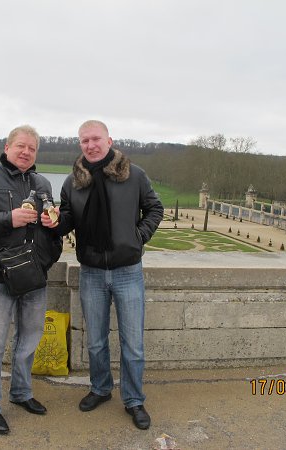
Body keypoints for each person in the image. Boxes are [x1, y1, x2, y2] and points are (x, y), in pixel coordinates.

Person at [41, 120, 164, 430]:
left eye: (95, 139)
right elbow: (67, 220)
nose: (90, 145)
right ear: (80, 144)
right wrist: (55, 222)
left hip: (128, 271)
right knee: (95, 341)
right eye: (84, 141)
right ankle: (100, 388)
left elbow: (155, 209)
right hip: (92, 272)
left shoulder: (134, 175)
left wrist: (138, 237)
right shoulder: (73, 182)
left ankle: (134, 399)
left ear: (109, 141)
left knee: (132, 344)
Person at [0, 125, 63, 435]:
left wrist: (52, 224)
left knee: (29, 340)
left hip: (34, 273)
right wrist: (9, 218)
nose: (26, 152)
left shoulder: (42, 183)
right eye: (21, 146)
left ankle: (21, 392)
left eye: (32, 148)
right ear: (7, 147)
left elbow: (51, 224)